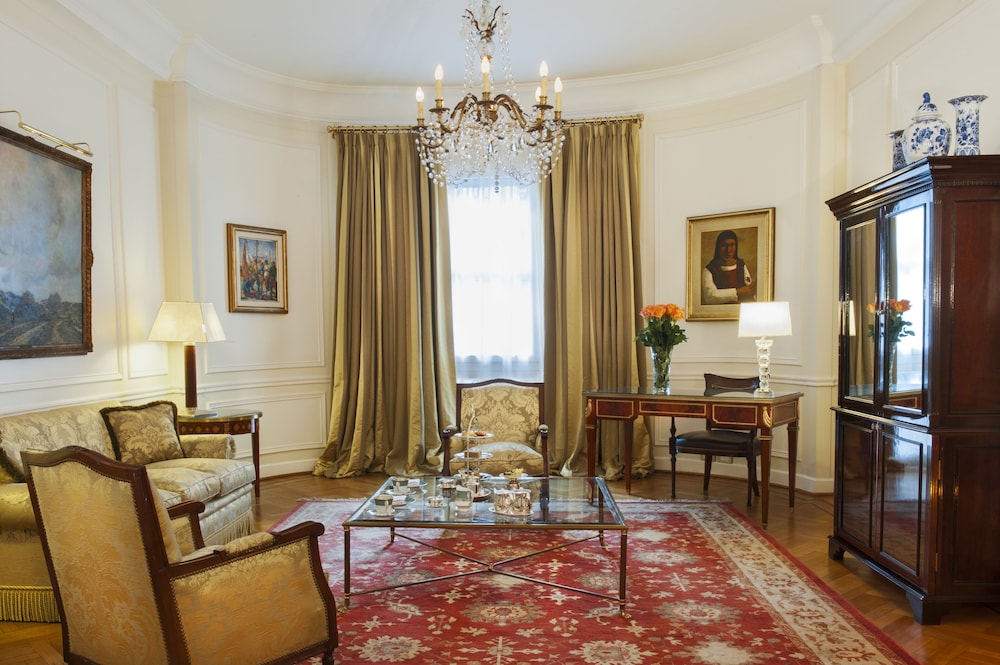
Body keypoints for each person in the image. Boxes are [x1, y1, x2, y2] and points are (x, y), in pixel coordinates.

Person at [702, 229, 755, 304]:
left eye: (732, 245)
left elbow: (749, 289)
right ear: (718, 247)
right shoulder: (709, 270)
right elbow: (710, 297)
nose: (728, 250)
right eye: (724, 245)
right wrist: (738, 292)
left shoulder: (741, 265)